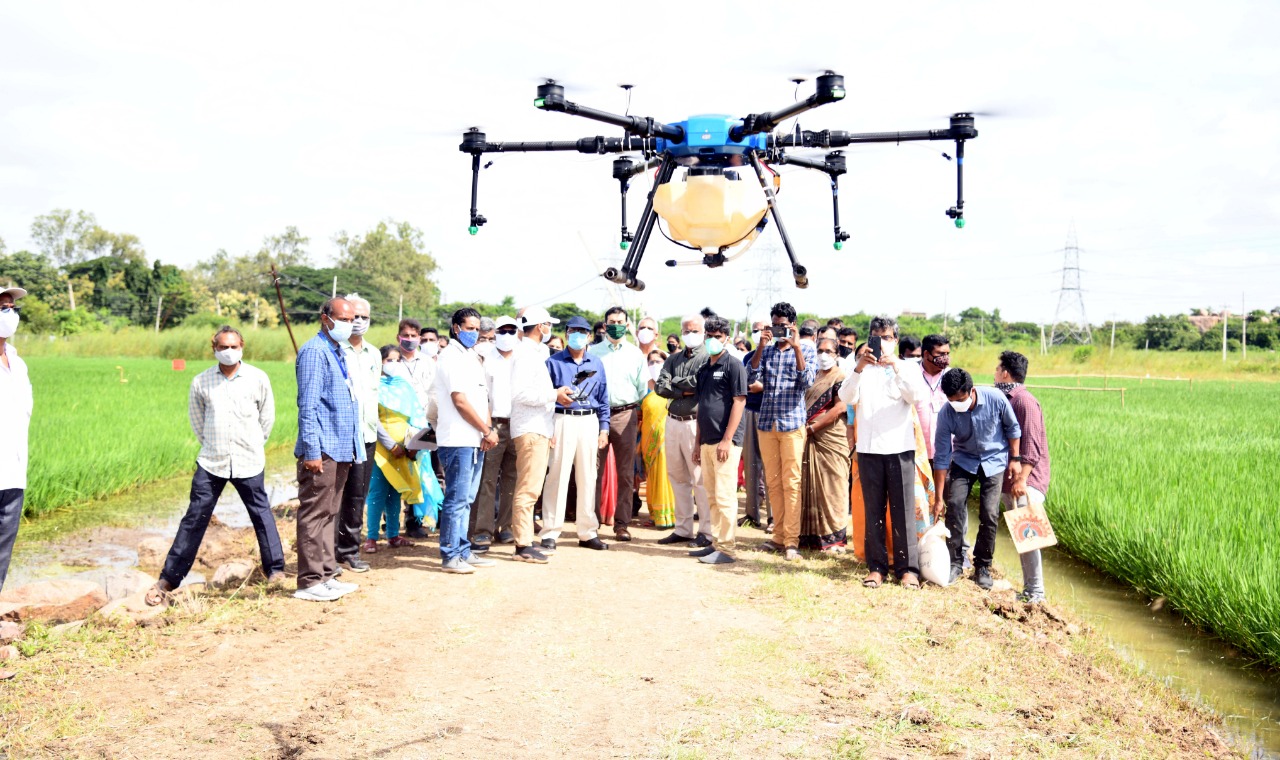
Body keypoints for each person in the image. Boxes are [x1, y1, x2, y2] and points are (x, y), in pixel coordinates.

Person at [146, 327, 285, 604]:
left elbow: (266, 418)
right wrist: (214, 444)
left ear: (242, 347)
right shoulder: (201, 381)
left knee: (261, 514)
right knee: (194, 518)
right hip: (212, 461)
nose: (229, 351)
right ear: (214, 349)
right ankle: (168, 579)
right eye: (224, 347)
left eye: (234, 346)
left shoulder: (258, 378)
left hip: (248, 459)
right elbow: (198, 421)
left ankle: (276, 571)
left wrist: (254, 444)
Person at [838, 316, 923, 588]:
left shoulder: (907, 367)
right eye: (877, 336)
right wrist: (859, 368)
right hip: (868, 449)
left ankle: (907, 569)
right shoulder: (861, 367)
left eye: (887, 337)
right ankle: (876, 567)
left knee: (903, 511)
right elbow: (846, 397)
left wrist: (896, 366)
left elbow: (916, 396)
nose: (882, 342)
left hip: (899, 449)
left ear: (896, 341)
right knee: (873, 509)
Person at [294, 297, 365, 601]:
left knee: (329, 512)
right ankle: (309, 581)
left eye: (352, 319)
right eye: (344, 319)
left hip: (341, 446)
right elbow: (307, 407)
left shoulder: (337, 351)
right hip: (322, 449)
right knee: (314, 513)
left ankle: (325, 573)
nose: (350, 324)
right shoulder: (314, 352)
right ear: (325, 318)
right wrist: (312, 451)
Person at [932, 368, 1022, 590]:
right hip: (964, 460)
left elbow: (1013, 428)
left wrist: (1015, 458)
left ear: (971, 391)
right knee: (953, 506)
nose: (956, 405)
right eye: (952, 401)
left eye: (960, 399)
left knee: (989, 513)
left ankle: (982, 565)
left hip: (994, 460)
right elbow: (942, 456)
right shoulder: (947, 412)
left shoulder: (995, 398)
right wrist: (937, 498)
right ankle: (955, 562)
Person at [749, 302, 817, 562]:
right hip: (767, 423)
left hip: (792, 424)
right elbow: (751, 374)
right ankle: (778, 536)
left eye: (783, 326)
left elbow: (807, 382)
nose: (779, 330)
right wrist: (760, 347)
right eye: (775, 325)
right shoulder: (767, 351)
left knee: (791, 482)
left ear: (793, 326)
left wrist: (797, 347)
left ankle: (791, 540)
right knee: (773, 482)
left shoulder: (807, 349)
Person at [433, 308, 499, 574]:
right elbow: (459, 401)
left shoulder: (472, 356)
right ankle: (450, 555)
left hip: (475, 437)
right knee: (457, 498)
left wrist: (487, 430)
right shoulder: (450, 356)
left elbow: (482, 398)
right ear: (456, 328)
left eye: (476, 329)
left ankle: (463, 550)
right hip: (458, 438)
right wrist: (485, 429)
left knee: (467, 498)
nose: (474, 333)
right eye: (469, 328)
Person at [540, 316, 611, 552]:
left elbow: (603, 398)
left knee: (588, 476)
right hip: (561, 420)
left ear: (590, 335)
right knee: (557, 476)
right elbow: (546, 398)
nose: (578, 335)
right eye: (573, 331)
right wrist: (548, 428)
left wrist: (604, 428)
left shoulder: (597, 363)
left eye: (582, 331)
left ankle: (587, 531)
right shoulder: (553, 362)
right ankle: (550, 531)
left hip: (589, 421)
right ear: (567, 333)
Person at [508, 306, 571, 564]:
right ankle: (523, 544)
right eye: (548, 324)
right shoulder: (525, 354)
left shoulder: (534, 352)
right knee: (528, 489)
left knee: (531, 488)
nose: (550, 329)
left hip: (538, 427)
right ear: (540, 326)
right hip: (530, 428)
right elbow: (521, 394)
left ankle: (525, 541)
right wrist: (553, 395)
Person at [995, 351, 1051, 603]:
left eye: (997, 369)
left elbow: (1031, 447)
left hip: (1026, 481)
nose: (995, 374)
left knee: (1028, 536)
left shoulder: (1024, 401)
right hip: (1014, 479)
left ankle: (1035, 592)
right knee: (1022, 536)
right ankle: (1031, 590)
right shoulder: (1007, 398)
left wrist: (1021, 481)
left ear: (1005, 372)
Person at [690, 317, 747, 565]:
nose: (713, 340)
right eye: (709, 335)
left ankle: (727, 548)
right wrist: (697, 443)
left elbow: (739, 402)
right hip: (706, 441)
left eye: (718, 336)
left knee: (725, 497)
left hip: (726, 442)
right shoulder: (704, 369)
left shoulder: (734, 365)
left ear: (726, 338)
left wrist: (727, 439)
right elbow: (703, 406)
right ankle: (715, 543)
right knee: (711, 495)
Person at [589, 306, 649, 542]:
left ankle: (622, 524)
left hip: (626, 414)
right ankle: (591, 522)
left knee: (625, 473)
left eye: (620, 321)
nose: (616, 325)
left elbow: (643, 388)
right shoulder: (593, 352)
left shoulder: (635, 354)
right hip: (596, 416)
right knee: (593, 471)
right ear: (604, 326)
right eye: (611, 321)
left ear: (626, 325)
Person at [655, 314, 711, 547]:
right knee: (677, 477)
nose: (690, 334)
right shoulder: (673, 358)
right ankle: (683, 528)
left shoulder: (708, 357)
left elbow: (699, 385)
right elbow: (660, 387)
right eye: (686, 331)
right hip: (672, 420)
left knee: (699, 478)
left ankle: (706, 532)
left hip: (694, 422)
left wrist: (677, 385)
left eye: (695, 330)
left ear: (704, 332)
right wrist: (682, 388)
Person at [363, 345, 424, 553]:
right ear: (380, 362)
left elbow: (416, 416)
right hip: (382, 448)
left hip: (405, 449)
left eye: (398, 360)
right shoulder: (374, 386)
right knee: (378, 492)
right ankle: (371, 537)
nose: (394, 364)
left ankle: (393, 534)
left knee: (395, 492)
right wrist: (390, 444)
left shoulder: (404, 387)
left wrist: (413, 444)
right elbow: (373, 419)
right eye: (390, 360)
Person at [334, 294, 378, 574]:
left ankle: (349, 551)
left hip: (367, 435)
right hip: (340, 438)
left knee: (356, 497)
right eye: (353, 317)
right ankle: (328, 554)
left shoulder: (374, 354)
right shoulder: (334, 351)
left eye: (364, 317)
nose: (358, 322)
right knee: (335, 497)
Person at [469, 316, 519, 548]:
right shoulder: (486, 360)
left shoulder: (523, 359)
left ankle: (506, 527)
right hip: (493, 424)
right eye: (503, 330)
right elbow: (482, 397)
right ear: (495, 333)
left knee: (512, 479)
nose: (507, 335)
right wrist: (486, 427)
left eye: (511, 330)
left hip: (519, 423)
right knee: (487, 479)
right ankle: (482, 529)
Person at [799, 338, 851, 552]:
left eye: (828, 351)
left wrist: (813, 428)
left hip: (830, 437)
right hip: (807, 436)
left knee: (833, 485)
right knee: (809, 486)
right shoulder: (813, 376)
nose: (823, 355)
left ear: (837, 354)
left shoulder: (841, 377)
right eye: (820, 350)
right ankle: (811, 536)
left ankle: (834, 537)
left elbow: (839, 408)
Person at [0, 287, 33, 592]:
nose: (9, 314)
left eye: (11, 308)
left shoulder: (17, 363)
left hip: (12, 475)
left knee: (1, 555)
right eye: (2, 308)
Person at [396, 318, 440, 539]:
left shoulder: (427, 362)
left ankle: (420, 520)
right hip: (399, 424)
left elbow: (435, 393)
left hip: (425, 423)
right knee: (402, 473)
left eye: (415, 336)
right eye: (407, 336)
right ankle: (398, 522)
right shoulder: (392, 361)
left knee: (424, 472)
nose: (411, 340)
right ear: (398, 337)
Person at [639, 349, 675, 529]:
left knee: (667, 475)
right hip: (648, 441)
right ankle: (655, 514)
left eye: (658, 362)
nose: (654, 365)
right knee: (652, 476)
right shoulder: (643, 388)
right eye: (651, 362)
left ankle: (669, 516)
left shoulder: (673, 387)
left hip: (668, 440)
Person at [741, 321, 770, 529]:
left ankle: (773, 517)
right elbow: (745, 382)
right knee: (751, 466)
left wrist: (763, 387)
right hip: (749, 411)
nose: (760, 333)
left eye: (764, 329)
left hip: (769, 413)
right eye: (756, 329)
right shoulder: (747, 357)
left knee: (770, 468)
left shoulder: (777, 355)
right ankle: (751, 514)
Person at [918, 334, 951, 463]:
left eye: (947, 353)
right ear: (926, 354)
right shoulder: (912, 375)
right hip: (917, 451)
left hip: (946, 452)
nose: (945, 358)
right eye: (941, 353)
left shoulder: (952, 376)